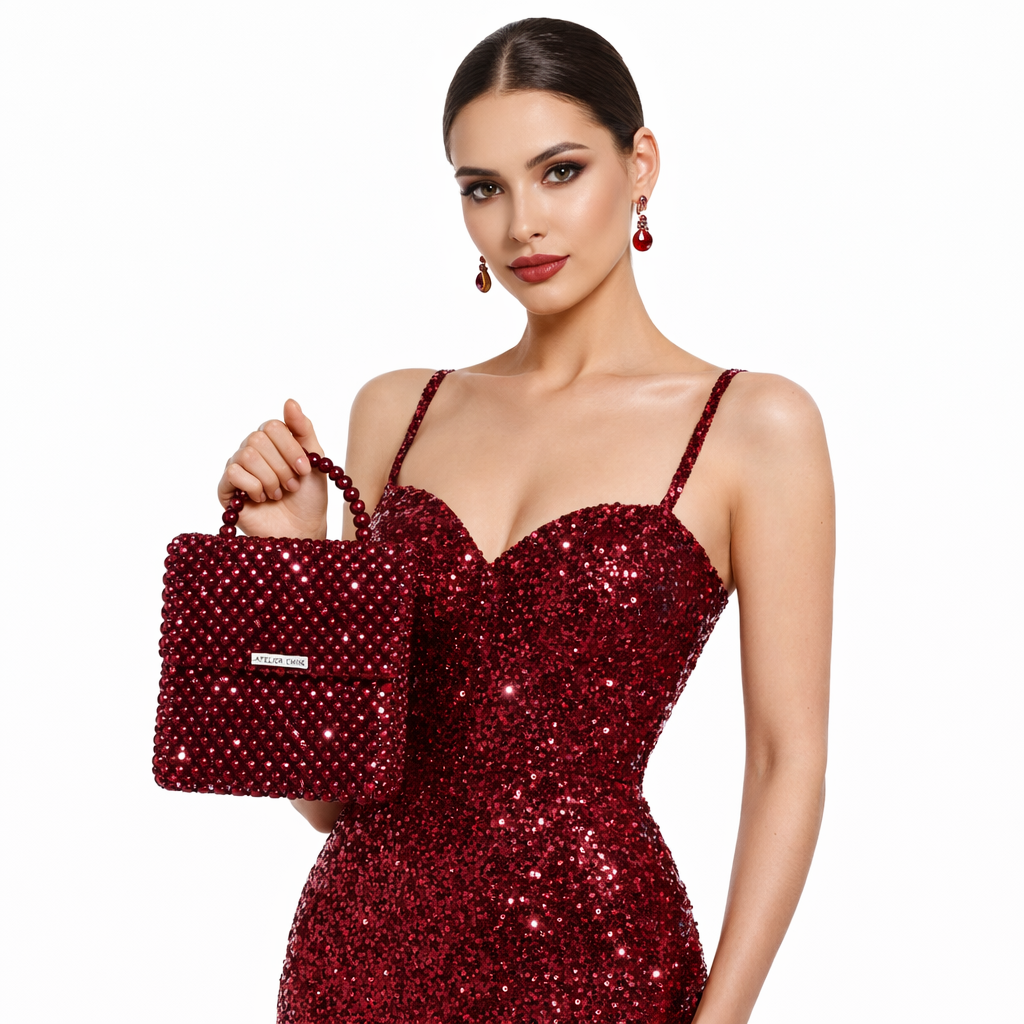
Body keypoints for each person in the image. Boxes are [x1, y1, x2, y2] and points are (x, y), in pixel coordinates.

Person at [218, 18, 834, 1024]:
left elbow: (785, 760)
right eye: (483, 188)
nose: (521, 226)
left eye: (560, 171)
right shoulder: (398, 411)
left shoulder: (753, 425)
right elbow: (331, 800)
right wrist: (292, 567)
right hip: (360, 959)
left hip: (599, 963)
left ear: (640, 166)